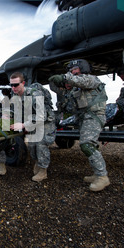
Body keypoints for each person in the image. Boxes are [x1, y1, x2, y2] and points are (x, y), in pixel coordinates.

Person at [49, 59, 110, 192]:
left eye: (74, 69)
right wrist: (56, 82)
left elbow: (80, 80)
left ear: (82, 68)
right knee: (91, 145)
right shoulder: (77, 87)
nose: (71, 72)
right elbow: (63, 93)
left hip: (93, 116)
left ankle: (102, 177)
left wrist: (65, 77)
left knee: (86, 144)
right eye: (69, 71)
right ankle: (97, 173)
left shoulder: (91, 79)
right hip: (84, 117)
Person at [9, 72, 56, 183]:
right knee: (31, 146)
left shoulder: (35, 95)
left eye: (16, 85)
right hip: (32, 121)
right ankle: (37, 162)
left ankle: (43, 171)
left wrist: (23, 125)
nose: (13, 88)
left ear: (23, 83)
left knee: (40, 144)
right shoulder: (15, 96)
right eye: (11, 85)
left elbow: (42, 116)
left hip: (45, 122)